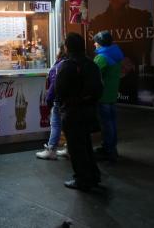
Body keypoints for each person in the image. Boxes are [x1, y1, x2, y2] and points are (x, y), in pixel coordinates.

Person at [87, 0, 153, 104]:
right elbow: (92, 56)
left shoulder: (143, 18)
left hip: (137, 88)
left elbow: (146, 53)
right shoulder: (96, 23)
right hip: (111, 89)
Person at [55, 33, 103, 191]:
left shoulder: (67, 65)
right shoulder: (91, 64)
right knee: (86, 144)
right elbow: (99, 89)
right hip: (89, 111)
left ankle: (82, 179)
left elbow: (59, 90)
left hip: (72, 112)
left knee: (76, 148)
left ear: (67, 47)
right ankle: (93, 175)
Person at [93, 30, 124, 162]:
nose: (94, 44)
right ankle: (111, 147)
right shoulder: (116, 53)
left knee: (106, 124)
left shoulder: (102, 57)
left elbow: (94, 74)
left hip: (103, 95)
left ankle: (109, 151)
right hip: (112, 93)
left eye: (96, 42)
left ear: (101, 43)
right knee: (112, 122)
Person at [36, 43, 67, 160]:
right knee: (67, 125)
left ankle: (51, 150)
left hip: (59, 101)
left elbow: (54, 86)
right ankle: (69, 149)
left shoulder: (59, 66)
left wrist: (49, 102)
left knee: (56, 125)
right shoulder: (74, 63)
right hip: (72, 102)